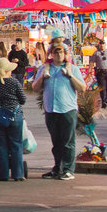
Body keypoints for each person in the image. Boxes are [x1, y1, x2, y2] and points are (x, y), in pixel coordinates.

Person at [33, 44, 86, 180]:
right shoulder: (45, 69)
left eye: (61, 52)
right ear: (51, 54)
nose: (58, 55)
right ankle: (58, 168)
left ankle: (68, 169)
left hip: (67, 109)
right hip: (51, 109)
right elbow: (35, 88)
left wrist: (70, 76)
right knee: (56, 142)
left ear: (65, 53)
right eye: (55, 52)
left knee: (68, 141)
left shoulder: (72, 69)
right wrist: (43, 77)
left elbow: (82, 88)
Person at [0, 57, 27, 181]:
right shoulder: (14, 82)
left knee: (2, 145)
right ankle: (18, 174)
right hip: (14, 116)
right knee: (16, 145)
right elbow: (23, 99)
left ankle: (3, 174)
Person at [91, 39, 107, 109]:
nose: (102, 45)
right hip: (100, 72)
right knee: (103, 87)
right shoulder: (96, 53)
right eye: (101, 44)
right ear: (99, 45)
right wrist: (90, 70)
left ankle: (106, 101)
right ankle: (104, 102)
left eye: (103, 44)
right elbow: (92, 62)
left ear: (105, 45)